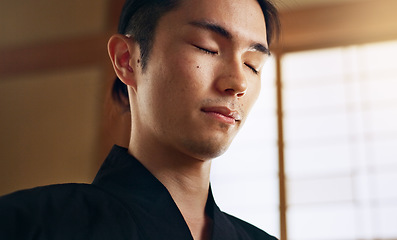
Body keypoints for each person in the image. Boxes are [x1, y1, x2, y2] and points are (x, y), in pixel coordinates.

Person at [0, 0, 280, 239]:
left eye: (252, 65)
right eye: (207, 47)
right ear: (126, 60)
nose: (238, 81)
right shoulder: (27, 224)